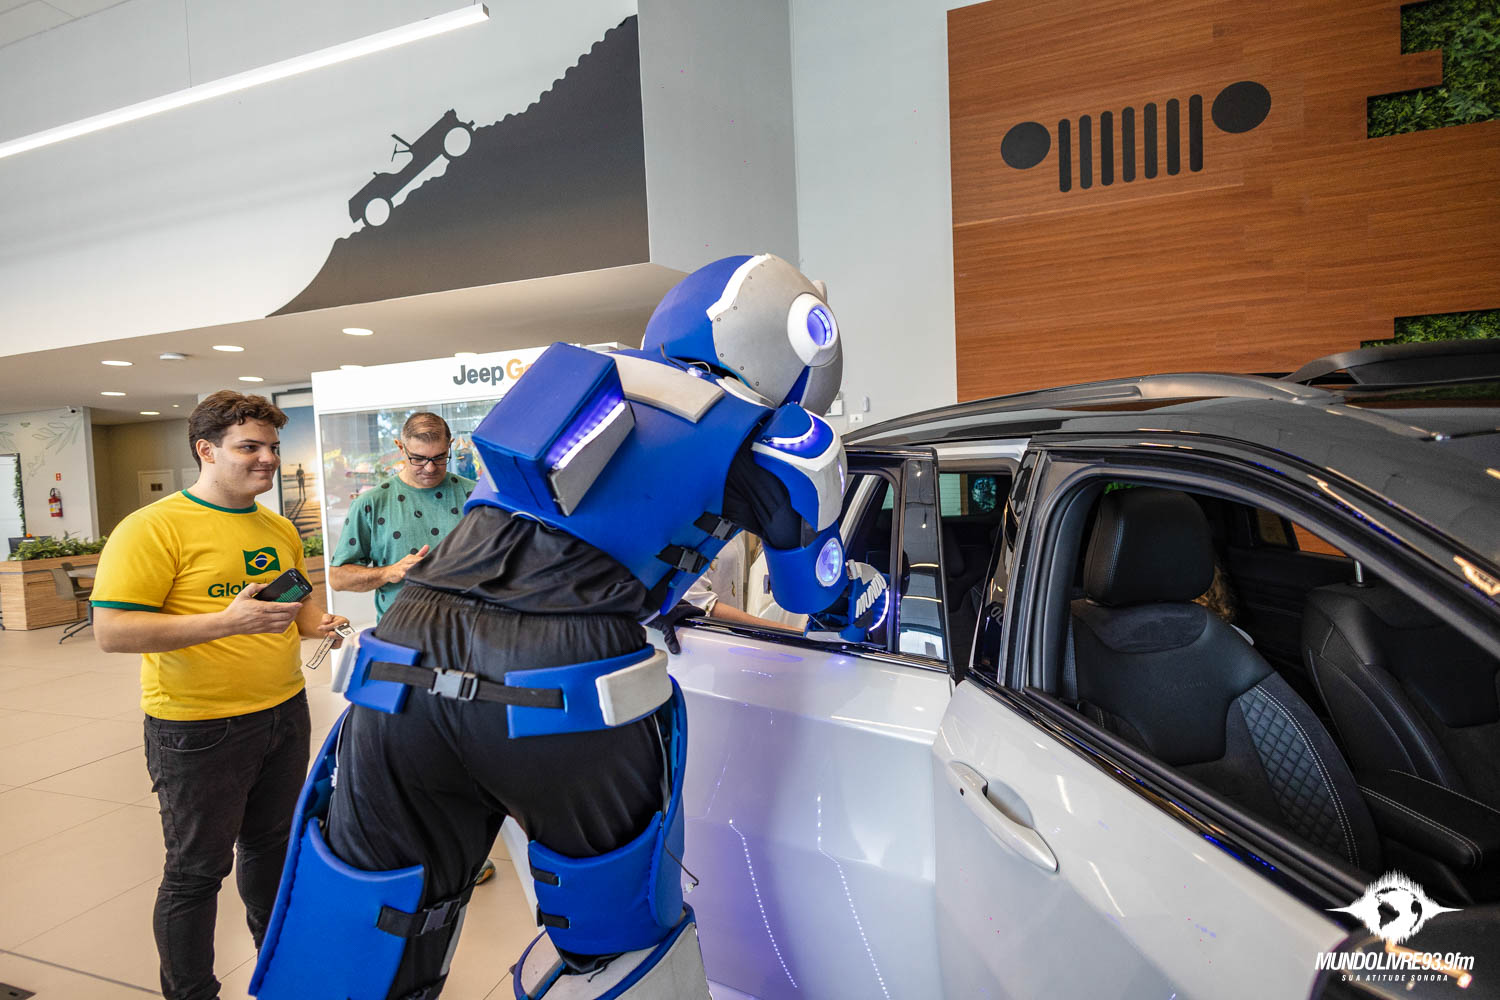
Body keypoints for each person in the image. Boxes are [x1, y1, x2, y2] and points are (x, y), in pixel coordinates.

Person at [251, 254, 887, 1000]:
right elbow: (812, 592)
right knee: (617, 941)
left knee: (368, 934)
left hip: (401, 655)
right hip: (563, 676)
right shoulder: (783, 438)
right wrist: (867, 599)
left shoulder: (578, 376)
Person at [90, 390, 350, 1000]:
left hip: (283, 712)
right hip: (197, 727)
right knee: (196, 871)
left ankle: (277, 970)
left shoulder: (277, 527)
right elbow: (113, 632)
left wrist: (321, 624)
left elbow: (297, 607)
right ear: (206, 450)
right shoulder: (151, 528)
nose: (268, 459)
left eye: (272, 447)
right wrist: (224, 623)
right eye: (249, 447)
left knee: (272, 849)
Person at [329, 412, 477, 621]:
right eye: (418, 459)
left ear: (450, 445)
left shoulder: (476, 497)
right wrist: (388, 572)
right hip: (399, 632)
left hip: (468, 628)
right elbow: (338, 578)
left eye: (439, 457)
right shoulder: (370, 503)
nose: (430, 468)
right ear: (400, 448)